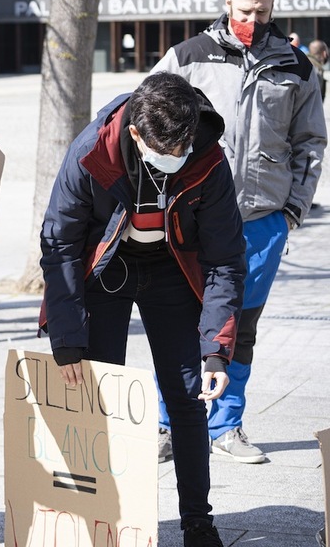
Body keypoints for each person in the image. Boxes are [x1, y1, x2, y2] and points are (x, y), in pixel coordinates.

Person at [39, 72, 245, 547]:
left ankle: (198, 520)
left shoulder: (208, 158)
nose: (176, 160)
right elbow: (60, 243)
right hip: (107, 268)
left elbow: (225, 258)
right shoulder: (91, 151)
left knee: (189, 397)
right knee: (98, 398)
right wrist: (68, 340)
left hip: (173, 270)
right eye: (164, 151)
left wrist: (216, 349)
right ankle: (102, 519)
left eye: (183, 148)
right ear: (135, 132)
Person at [153, 0, 327, 464]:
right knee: (184, 322)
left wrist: (293, 211)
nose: (252, 20)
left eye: (262, 12)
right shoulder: (188, 57)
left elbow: (310, 143)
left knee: (240, 328)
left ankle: (226, 426)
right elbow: (144, 119)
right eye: (244, 10)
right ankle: (169, 424)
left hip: (262, 222)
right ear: (227, 2)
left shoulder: (296, 66)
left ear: (274, 8)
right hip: (193, 217)